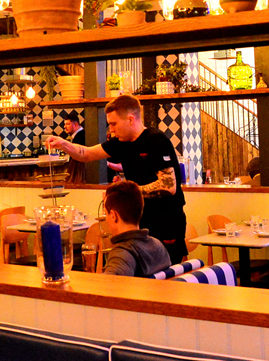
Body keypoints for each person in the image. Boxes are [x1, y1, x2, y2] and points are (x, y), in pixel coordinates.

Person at [47, 95, 187, 264]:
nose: (111, 129)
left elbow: (168, 186)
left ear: (130, 119)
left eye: (114, 124)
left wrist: (124, 194)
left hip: (166, 221)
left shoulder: (155, 140)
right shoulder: (121, 142)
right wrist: (63, 144)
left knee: (168, 274)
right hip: (140, 221)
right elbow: (87, 154)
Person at [100, 180, 171, 277]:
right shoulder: (158, 246)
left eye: (106, 213)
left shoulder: (122, 254)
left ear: (113, 216)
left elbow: (109, 284)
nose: (106, 219)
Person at [62, 113, 87, 184]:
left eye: (68, 124)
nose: (65, 127)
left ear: (75, 125)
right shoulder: (81, 134)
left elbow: (76, 157)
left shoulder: (79, 137)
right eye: (64, 124)